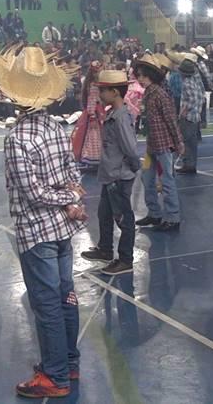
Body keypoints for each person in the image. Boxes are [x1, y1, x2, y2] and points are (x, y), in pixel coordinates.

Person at [0, 45, 87, 398]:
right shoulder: (56, 127)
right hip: (63, 228)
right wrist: (72, 198)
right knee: (66, 296)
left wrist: (67, 197)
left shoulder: (17, 138)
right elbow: (72, 171)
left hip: (37, 232)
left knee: (47, 303)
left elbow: (33, 193)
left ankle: (55, 376)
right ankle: (69, 362)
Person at [80, 70, 141, 275]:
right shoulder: (112, 114)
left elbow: (130, 148)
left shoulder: (121, 117)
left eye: (103, 90)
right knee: (104, 213)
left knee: (123, 218)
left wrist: (133, 167)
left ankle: (125, 259)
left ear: (115, 92)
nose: (100, 94)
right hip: (110, 173)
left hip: (118, 175)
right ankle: (105, 249)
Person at [134, 54, 184, 231]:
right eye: (139, 76)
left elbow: (171, 119)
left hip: (163, 145)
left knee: (167, 181)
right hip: (152, 145)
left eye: (143, 76)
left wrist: (179, 142)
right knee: (147, 178)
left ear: (151, 75)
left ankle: (173, 217)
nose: (140, 79)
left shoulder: (159, 94)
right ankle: (154, 213)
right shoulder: (148, 93)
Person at [177, 58, 206, 174]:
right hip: (195, 115)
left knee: (187, 141)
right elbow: (200, 95)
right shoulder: (195, 80)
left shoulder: (186, 83)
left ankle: (188, 164)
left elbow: (192, 99)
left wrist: (183, 111)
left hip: (189, 116)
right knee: (192, 142)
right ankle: (191, 164)